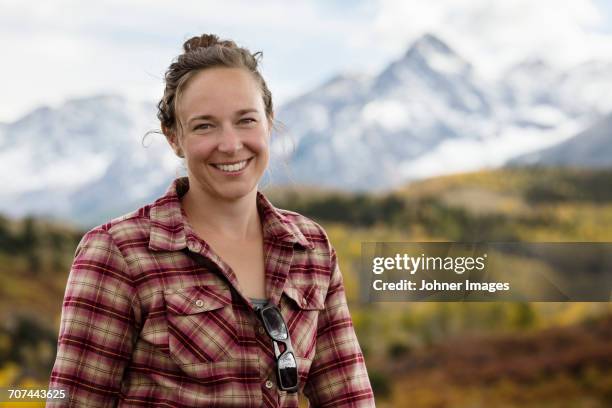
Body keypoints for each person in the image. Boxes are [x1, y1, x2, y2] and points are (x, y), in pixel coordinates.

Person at [47, 33, 375, 407]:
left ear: (268, 122)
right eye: (205, 125)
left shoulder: (311, 248)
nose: (231, 144)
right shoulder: (118, 253)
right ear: (174, 137)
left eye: (245, 120)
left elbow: (348, 398)